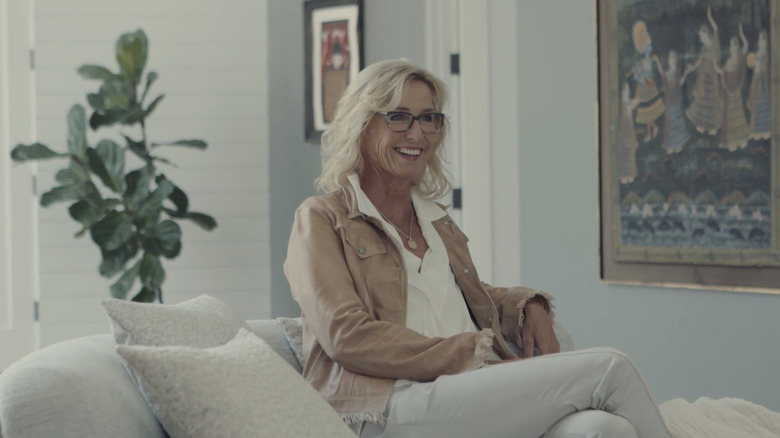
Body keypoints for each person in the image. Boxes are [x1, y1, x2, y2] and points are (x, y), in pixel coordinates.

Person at [284, 59, 672, 438]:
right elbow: (345, 334)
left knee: (606, 428)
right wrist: (468, 352)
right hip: (391, 401)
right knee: (610, 368)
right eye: (398, 117)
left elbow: (463, 296)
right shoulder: (321, 218)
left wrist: (527, 305)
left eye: (428, 118)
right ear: (361, 125)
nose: (417, 134)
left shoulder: (435, 220)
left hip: (463, 395)